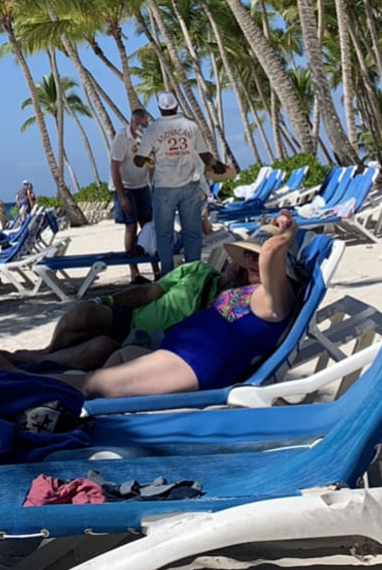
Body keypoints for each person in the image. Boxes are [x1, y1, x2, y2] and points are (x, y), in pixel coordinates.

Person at [56, 210, 304, 399]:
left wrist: (287, 234)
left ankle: (23, 382)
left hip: (196, 364)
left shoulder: (276, 299)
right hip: (180, 352)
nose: (251, 261)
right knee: (120, 358)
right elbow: (266, 254)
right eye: (248, 255)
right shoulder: (253, 290)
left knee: (90, 383)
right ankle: (100, 409)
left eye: (256, 257)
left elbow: (270, 251)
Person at [0, 254, 226, 373]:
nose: (241, 267)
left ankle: (30, 362)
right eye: (242, 258)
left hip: (155, 344)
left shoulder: (232, 306)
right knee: (85, 313)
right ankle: (47, 351)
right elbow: (150, 292)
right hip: (133, 317)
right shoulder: (198, 270)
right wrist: (108, 299)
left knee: (100, 348)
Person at [140, 90, 231, 267]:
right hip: (189, 185)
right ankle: (193, 272)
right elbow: (205, 155)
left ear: (159, 108)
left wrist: (141, 157)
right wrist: (217, 165)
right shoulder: (191, 126)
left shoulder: (153, 129)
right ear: (177, 106)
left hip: (165, 187)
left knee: (164, 234)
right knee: (192, 233)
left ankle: (167, 273)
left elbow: (138, 160)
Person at [108, 106, 155, 281]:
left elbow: (151, 165)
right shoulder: (121, 138)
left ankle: (155, 268)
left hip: (142, 185)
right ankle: (134, 271)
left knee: (148, 225)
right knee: (131, 226)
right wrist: (122, 196)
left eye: (145, 124)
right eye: (139, 124)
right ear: (133, 122)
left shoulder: (148, 138)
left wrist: (153, 187)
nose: (141, 128)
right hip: (125, 185)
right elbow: (115, 169)